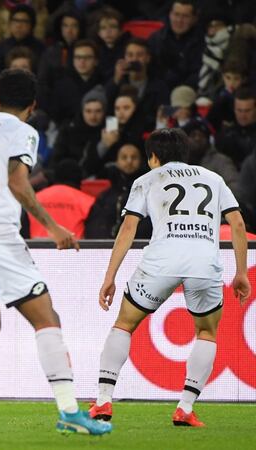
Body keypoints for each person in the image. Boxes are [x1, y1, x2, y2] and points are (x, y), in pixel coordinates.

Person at [0, 69, 112, 440]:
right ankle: (70, 412)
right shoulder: (23, 131)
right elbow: (17, 182)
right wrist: (54, 227)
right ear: (32, 106)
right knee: (47, 318)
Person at [91, 128, 251, 427]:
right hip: (204, 264)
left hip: (161, 262)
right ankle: (185, 408)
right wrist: (241, 272)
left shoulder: (147, 180)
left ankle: (103, 400)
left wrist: (110, 276)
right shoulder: (213, 179)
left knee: (124, 324)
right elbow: (238, 224)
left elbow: (128, 229)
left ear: (153, 157)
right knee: (206, 333)